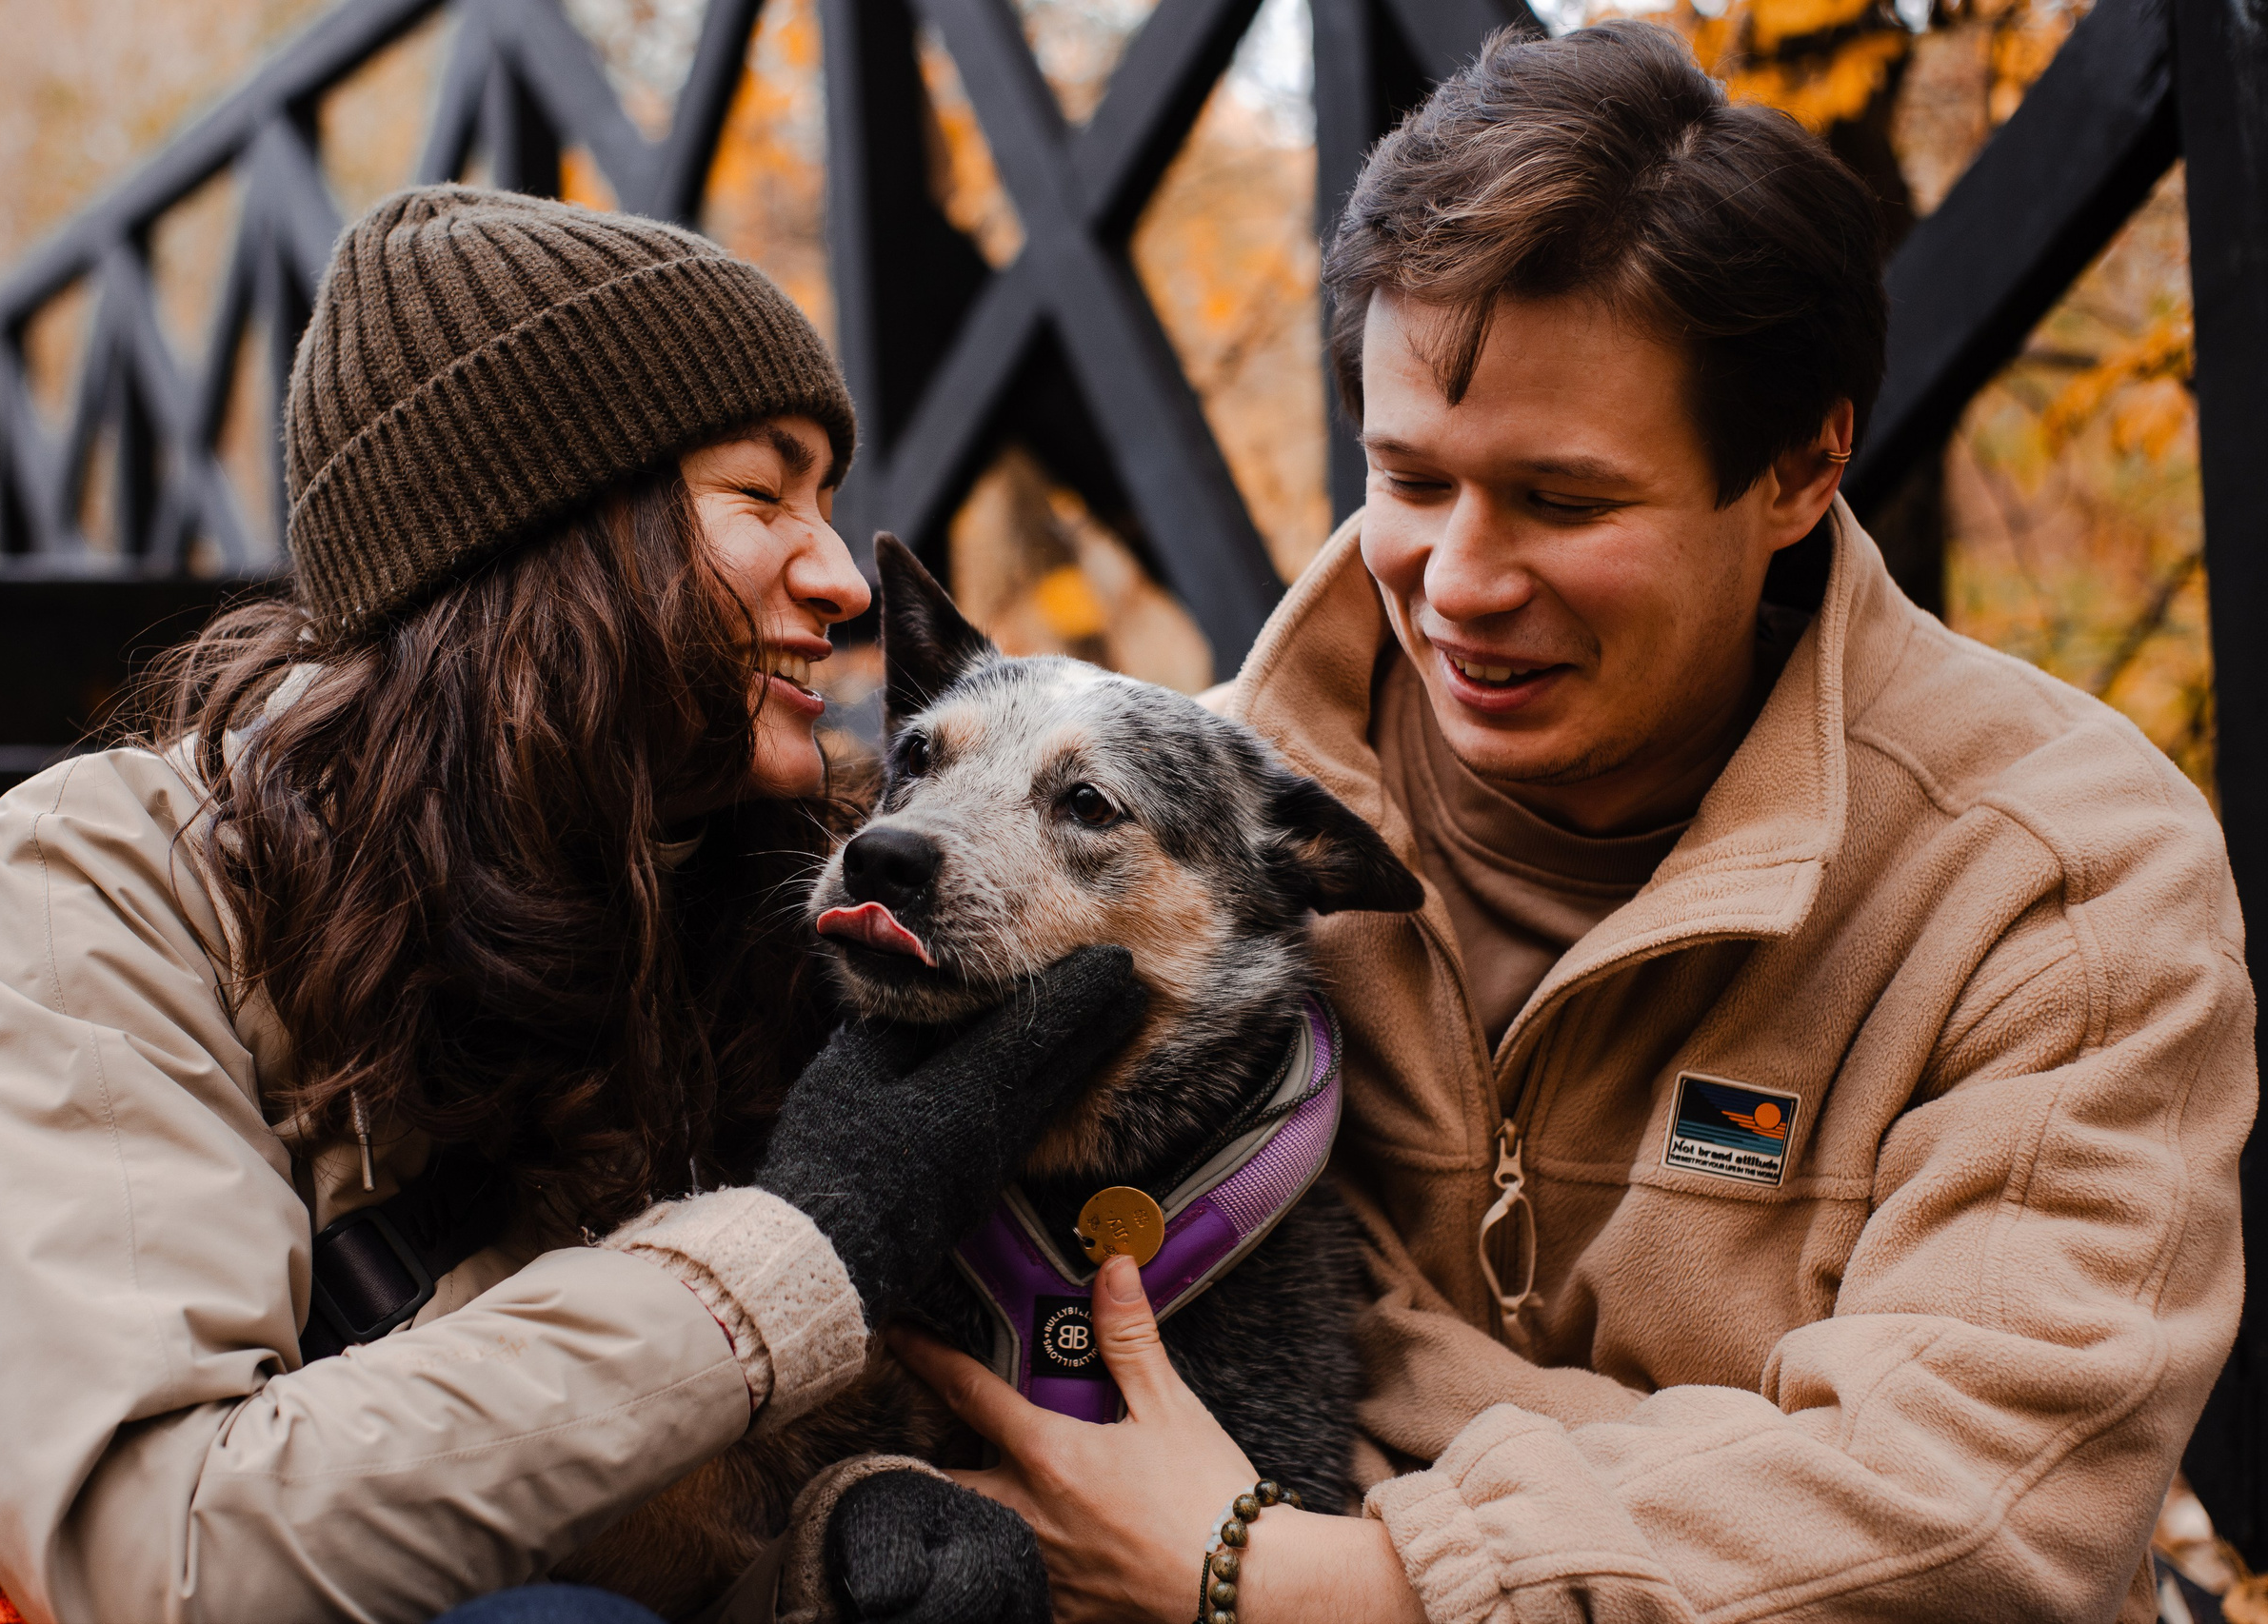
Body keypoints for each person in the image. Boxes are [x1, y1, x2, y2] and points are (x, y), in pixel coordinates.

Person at [893, 22, 2254, 1623]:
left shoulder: (2058, 879)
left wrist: (1311, 1574)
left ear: (1804, 465)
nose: (1460, 583)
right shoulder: (1177, 849)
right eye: (1409, 478)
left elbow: (1973, 1522)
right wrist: (1750, 1488)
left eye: (1563, 500)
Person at [0, 187, 1144, 1623]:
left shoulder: (780, 898)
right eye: (762, 497)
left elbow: (608, 1513)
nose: (841, 577)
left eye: (827, 501)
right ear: (539, 542)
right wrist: (782, 1257)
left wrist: (833, 1557)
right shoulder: (101, 879)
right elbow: (167, 1554)